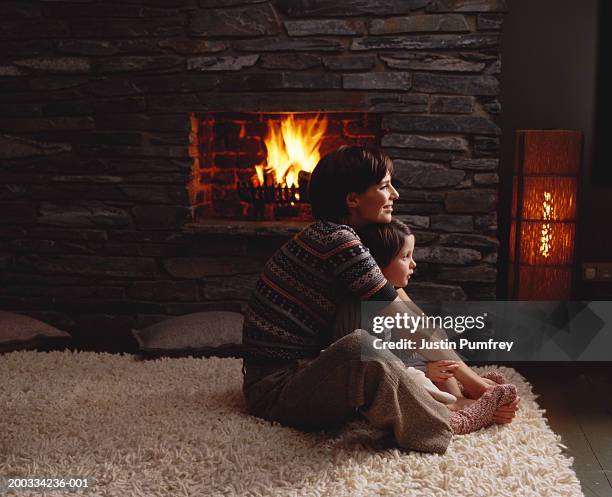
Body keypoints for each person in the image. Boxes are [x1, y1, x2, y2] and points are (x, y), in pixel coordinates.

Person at [242, 146, 517, 453]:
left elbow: (408, 314)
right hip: (277, 391)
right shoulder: (336, 241)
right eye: (385, 186)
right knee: (361, 347)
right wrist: (478, 387)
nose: (395, 195)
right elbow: (404, 322)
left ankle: (458, 393)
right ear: (352, 199)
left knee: (391, 305)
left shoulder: (339, 237)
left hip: (306, 371)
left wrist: (470, 379)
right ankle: (448, 420)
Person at [356, 219, 520, 424]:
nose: (414, 263)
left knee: (433, 348)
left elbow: (424, 328)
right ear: (378, 265)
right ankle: (458, 407)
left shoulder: (393, 289)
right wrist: (425, 370)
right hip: (386, 372)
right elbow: (382, 362)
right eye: (405, 257)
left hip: (403, 360)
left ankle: (462, 397)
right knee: (415, 379)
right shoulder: (369, 305)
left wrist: (442, 366)